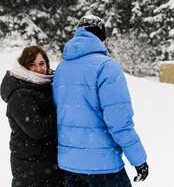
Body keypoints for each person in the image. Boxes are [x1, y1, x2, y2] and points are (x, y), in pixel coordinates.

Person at [52, 15, 149, 187]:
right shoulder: (107, 67)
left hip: (70, 165)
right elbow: (119, 122)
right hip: (103, 166)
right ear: (102, 41)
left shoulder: (61, 68)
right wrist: (138, 159)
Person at [0, 45, 66, 187]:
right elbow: (37, 129)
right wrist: (63, 110)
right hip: (31, 167)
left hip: (49, 165)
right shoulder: (20, 94)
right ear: (24, 67)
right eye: (32, 65)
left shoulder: (46, 85)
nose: (39, 69)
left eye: (42, 63)